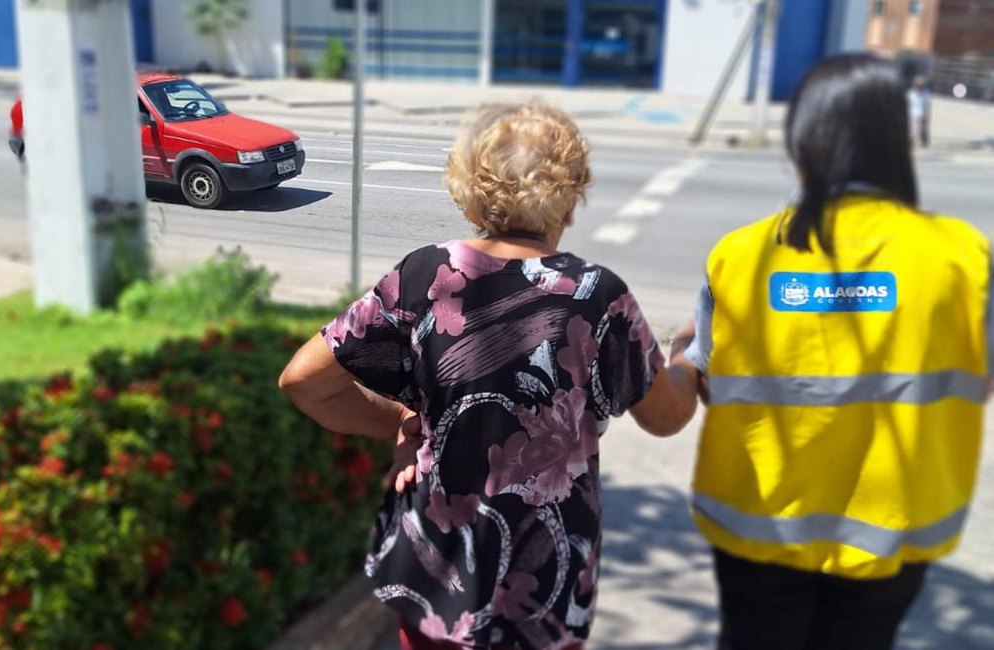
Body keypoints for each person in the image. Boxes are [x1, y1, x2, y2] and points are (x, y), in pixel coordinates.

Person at [279, 101, 699, 649]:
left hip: (434, 581)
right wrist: (690, 358)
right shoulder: (599, 296)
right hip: (543, 594)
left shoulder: (425, 275)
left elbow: (304, 381)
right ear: (569, 198)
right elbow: (666, 417)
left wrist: (404, 425)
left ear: (471, 189)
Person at [679, 54, 990, 650]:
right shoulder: (962, 257)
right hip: (892, 534)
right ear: (896, 140)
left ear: (804, 137)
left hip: (759, 528)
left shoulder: (741, 256)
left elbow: (709, 376)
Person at [906, 74, 931, 148]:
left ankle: (924, 141)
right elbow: (907, 104)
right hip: (912, 114)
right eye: (918, 84)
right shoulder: (910, 93)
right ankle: (910, 142)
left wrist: (927, 115)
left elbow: (927, 105)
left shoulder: (926, 93)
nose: (919, 86)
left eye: (921, 85)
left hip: (921, 114)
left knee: (922, 129)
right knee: (912, 130)